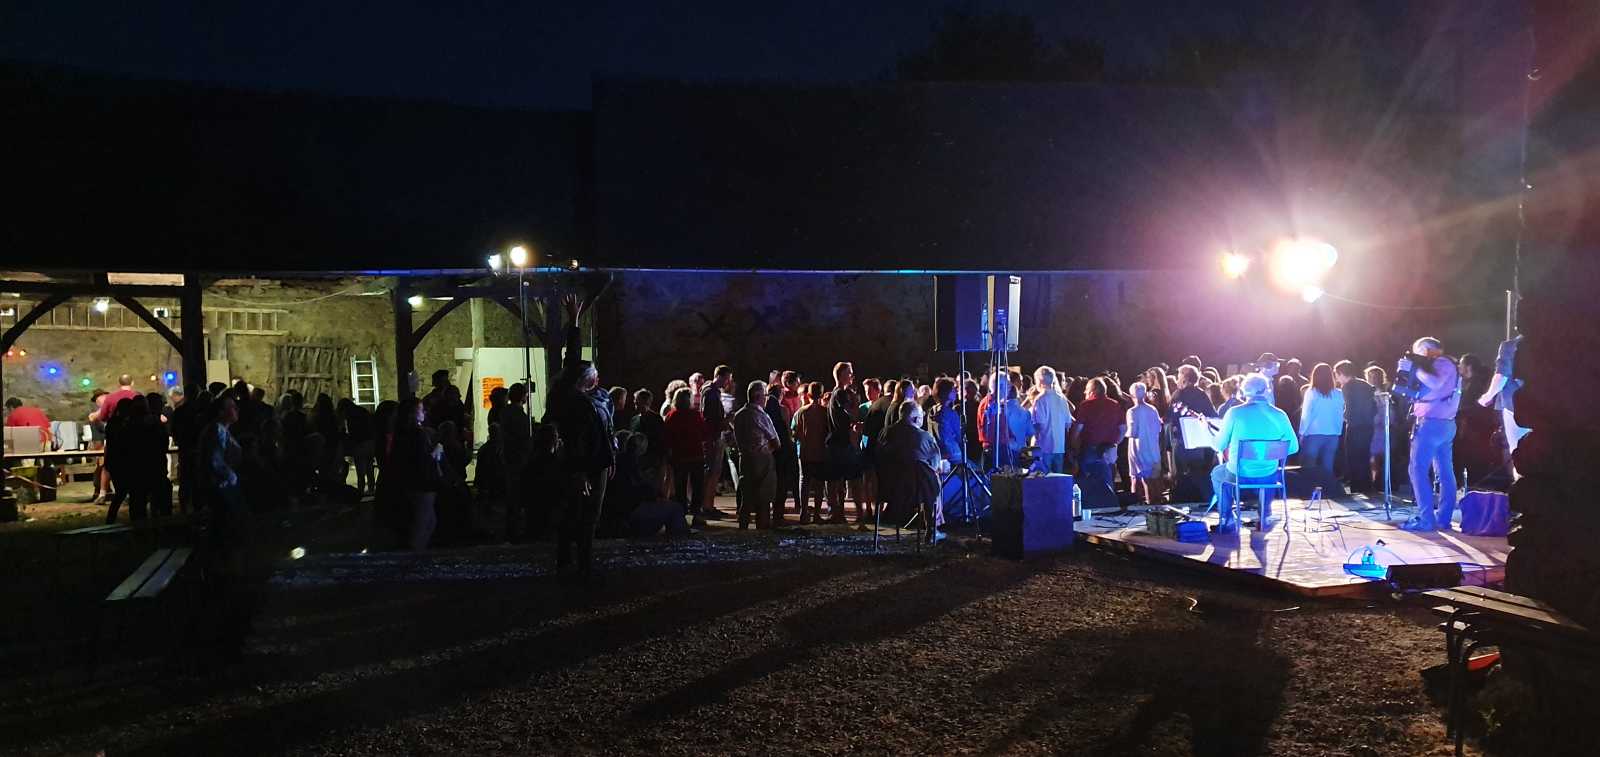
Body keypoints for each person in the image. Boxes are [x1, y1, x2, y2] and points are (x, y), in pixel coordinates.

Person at [543, 296, 615, 578]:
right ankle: (578, 563)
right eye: (594, 372)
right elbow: (577, 439)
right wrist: (580, 472)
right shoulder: (571, 399)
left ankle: (576, 561)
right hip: (584, 466)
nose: (597, 376)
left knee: (585, 515)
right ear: (585, 376)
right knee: (581, 515)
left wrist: (574, 320)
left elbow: (602, 433)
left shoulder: (587, 399)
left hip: (596, 464)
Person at [1210, 374, 1298, 533]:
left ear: (1244, 392)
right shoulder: (1280, 414)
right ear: (1266, 390)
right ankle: (1265, 515)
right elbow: (1293, 448)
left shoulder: (1234, 413)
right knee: (1270, 472)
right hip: (1267, 475)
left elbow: (1219, 445)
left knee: (1217, 474)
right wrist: (1268, 451)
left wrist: (1211, 435)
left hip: (1239, 474)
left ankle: (1227, 519)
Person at [1400, 337, 1461, 531]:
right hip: (1444, 424)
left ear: (1426, 348)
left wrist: (1413, 368)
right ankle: (1443, 519)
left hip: (1432, 424)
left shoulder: (1442, 362)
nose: (1416, 356)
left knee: (1417, 470)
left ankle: (1426, 520)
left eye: (1417, 352)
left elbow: (1435, 383)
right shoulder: (1447, 364)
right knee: (1444, 472)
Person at [877, 400, 946, 544]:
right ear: (916, 419)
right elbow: (935, 464)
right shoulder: (924, 437)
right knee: (932, 478)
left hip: (887, 489)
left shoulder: (885, 433)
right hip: (916, 492)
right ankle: (932, 528)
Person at [391, 397, 442, 550]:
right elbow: (423, 459)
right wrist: (437, 449)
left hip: (411, 481)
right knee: (423, 523)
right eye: (420, 409)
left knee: (428, 521)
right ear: (412, 413)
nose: (424, 412)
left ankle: (416, 552)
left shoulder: (401, 433)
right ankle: (414, 556)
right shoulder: (418, 434)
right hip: (422, 482)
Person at [1478, 333, 1529, 474]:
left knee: (1518, 452)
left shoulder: (1510, 346)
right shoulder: (1550, 343)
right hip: (1546, 405)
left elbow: (1501, 376)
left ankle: (1523, 484)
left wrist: (1487, 396)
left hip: (1515, 405)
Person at [733, 380, 779, 529]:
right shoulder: (761, 415)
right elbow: (776, 441)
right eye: (765, 395)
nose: (766, 398)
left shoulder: (739, 415)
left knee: (746, 498)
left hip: (744, 458)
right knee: (763, 500)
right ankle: (762, 530)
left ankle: (743, 529)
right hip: (762, 459)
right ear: (758, 396)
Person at [1070, 377, 1125, 500]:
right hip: (1109, 449)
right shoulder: (1115, 405)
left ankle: (1092, 506)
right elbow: (1123, 428)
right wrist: (1115, 443)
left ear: (1092, 391)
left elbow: (1078, 429)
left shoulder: (1086, 405)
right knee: (1108, 481)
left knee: (1088, 482)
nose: (1085, 392)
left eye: (1086, 389)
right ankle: (1109, 505)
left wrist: (1073, 446)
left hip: (1090, 448)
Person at [663, 388, 709, 526]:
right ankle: (696, 515)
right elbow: (704, 432)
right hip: (695, 455)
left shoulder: (671, 415)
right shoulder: (695, 415)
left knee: (680, 487)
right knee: (697, 486)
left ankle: (681, 515)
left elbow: (667, 437)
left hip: (679, 456)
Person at [823, 361, 862, 524]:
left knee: (837, 480)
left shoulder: (836, 393)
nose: (852, 375)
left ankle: (837, 513)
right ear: (841, 375)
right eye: (849, 372)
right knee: (852, 479)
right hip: (842, 443)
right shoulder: (841, 394)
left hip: (837, 443)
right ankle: (856, 515)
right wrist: (855, 402)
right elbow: (851, 414)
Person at [1332, 361, 1376, 493]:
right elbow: (1374, 407)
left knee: (1353, 457)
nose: (1336, 378)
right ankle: (1367, 486)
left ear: (1341, 373)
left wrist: (1344, 416)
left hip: (1355, 425)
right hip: (1368, 425)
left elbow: (1349, 407)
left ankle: (1356, 487)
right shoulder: (1366, 384)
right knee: (1365, 456)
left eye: (1337, 375)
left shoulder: (1347, 387)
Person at [1298, 363, 1345, 487]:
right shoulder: (1338, 393)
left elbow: (1306, 414)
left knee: (1309, 464)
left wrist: (1302, 432)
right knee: (1328, 465)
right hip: (1333, 434)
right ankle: (1328, 489)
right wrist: (1338, 431)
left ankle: (1310, 489)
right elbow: (1340, 413)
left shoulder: (1311, 392)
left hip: (1314, 433)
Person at [792, 382, 829, 525]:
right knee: (819, 484)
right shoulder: (825, 412)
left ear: (808, 394)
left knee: (804, 483)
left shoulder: (801, 412)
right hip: (820, 452)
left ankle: (803, 513)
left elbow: (794, 432)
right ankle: (817, 514)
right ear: (822, 394)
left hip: (804, 452)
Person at [700, 365, 734, 518]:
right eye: (727, 379)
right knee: (712, 472)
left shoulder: (711, 391)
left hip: (713, 435)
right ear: (720, 376)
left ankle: (708, 505)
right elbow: (711, 418)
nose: (728, 382)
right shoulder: (711, 393)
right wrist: (727, 419)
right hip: (713, 437)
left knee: (714, 472)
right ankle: (707, 506)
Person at [764, 380, 799, 525]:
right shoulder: (782, 409)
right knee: (781, 481)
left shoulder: (763, 409)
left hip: (767, 448)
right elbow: (787, 430)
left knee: (767, 481)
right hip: (782, 447)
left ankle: (766, 513)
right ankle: (778, 513)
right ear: (780, 395)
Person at [1126, 381, 1164, 505]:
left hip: (1137, 448)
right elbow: (1159, 428)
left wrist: (1123, 432)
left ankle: (1137, 504)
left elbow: (1133, 432)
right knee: (1152, 479)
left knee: (1136, 478)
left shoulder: (1132, 411)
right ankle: (1154, 503)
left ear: (1132, 395)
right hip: (1152, 446)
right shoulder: (1152, 409)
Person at [1030, 367, 1073, 474]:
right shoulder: (1062, 399)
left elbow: (1039, 425)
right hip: (1059, 447)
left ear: (1039, 381)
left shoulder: (1040, 399)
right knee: (1058, 477)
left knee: (1044, 478)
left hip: (1044, 447)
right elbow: (1068, 423)